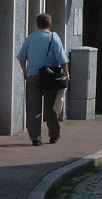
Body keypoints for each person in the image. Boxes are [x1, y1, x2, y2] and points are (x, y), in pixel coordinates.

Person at [17, 13, 69, 146]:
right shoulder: (54, 38)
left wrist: (25, 72)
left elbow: (22, 58)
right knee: (50, 107)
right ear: (50, 24)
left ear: (37, 24)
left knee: (33, 108)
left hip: (33, 76)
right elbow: (62, 59)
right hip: (50, 78)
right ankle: (53, 135)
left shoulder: (30, 38)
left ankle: (36, 138)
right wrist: (67, 74)